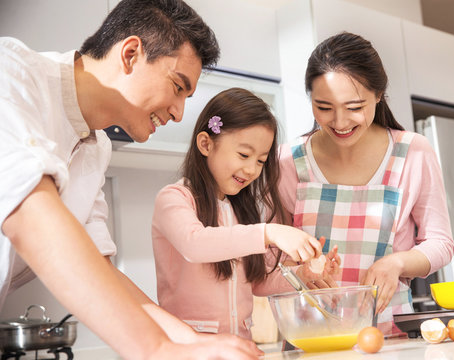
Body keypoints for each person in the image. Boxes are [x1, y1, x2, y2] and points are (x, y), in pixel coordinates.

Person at [0, 0, 263, 358]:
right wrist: (155, 349)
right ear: (130, 54)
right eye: (177, 87)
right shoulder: (12, 75)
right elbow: (30, 217)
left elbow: (102, 272)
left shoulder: (97, 147)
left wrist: (189, 341)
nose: (178, 112)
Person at [278, 32, 454, 335]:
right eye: (324, 107)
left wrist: (397, 263)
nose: (340, 121)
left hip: (391, 336)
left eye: (354, 107)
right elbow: (273, 257)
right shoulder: (288, 160)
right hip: (310, 338)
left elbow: (441, 243)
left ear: (378, 95)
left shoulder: (412, 151)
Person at [152, 87, 341, 339]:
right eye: (244, 155)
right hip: (189, 347)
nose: (252, 169)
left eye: (261, 161)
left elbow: (258, 282)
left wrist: (302, 275)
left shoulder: (241, 211)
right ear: (206, 144)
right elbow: (194, 244)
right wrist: (269, 232)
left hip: (240, 345)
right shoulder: (174, 198)